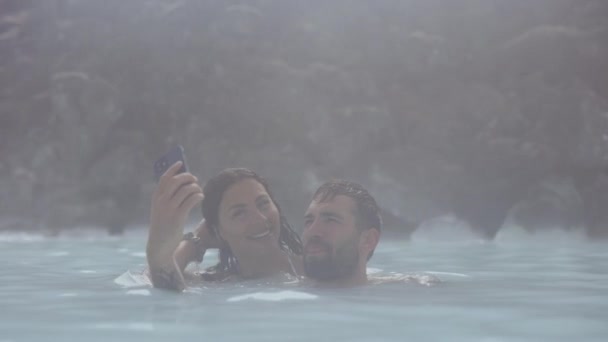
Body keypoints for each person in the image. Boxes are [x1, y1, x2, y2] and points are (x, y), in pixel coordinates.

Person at [301, 179, 382, 287]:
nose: (312, 231)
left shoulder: (400, 292)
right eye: (309, 221)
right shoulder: (279, 290)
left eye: (331, 220)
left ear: (368, 240)